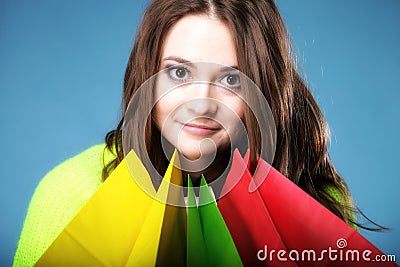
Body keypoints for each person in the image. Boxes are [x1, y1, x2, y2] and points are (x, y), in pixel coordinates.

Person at [13, 0, 380, 266]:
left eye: (231, 80)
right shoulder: (71, 194)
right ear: (147, 76)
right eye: (179, 73)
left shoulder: (318, 202)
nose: (201, 103)